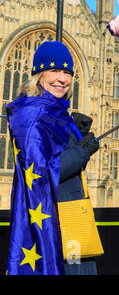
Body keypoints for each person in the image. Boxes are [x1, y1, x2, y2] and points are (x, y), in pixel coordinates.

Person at [6, 41, 100, 275]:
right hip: (53, 224)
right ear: (39, 74)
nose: (63, 78)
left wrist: (73, 132)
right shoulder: (31, 113)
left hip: (72, 219)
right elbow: (40, 174)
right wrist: (81, 151)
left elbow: (54, 154)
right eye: (54, 70)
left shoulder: (54, 111)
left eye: (67, 72)